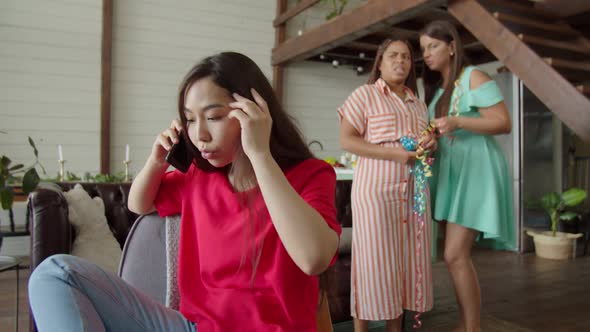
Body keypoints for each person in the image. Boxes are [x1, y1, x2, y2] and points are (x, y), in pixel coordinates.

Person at [28, 52, 341, 332]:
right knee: (55, 273)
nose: (200, 135)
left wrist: (260, 155)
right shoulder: (198, 178)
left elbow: (313, 258)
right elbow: (139, 203)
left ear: (257, 113)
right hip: (193, 327)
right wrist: (156, 160)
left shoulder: (310, 175)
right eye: (190, 120)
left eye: (215, 117)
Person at [419, 20, 514, 332]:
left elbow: (502, 122)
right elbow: (445, 130)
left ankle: (471, 328)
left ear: (451, 46)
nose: (426, 54)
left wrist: (459, 121)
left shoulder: (473, 76)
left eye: (432, 46)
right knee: (454, 256)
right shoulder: (440, 89)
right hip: (454, 174)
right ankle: (467, 324)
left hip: (477, 171)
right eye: (423, 49)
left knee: (454, 254)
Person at [338, 38, 435, 332]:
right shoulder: (364, 95)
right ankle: (361, 329)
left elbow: (425, 146)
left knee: (404, 261)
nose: (400, 61)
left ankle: (396, 329)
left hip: (413, 193)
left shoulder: (418, 105)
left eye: (406, 57)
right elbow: (347, 139)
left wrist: (430, 143)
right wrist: (394, 153)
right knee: (371, 259)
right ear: (380, 62)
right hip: (375, 194)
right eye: (393, 55)